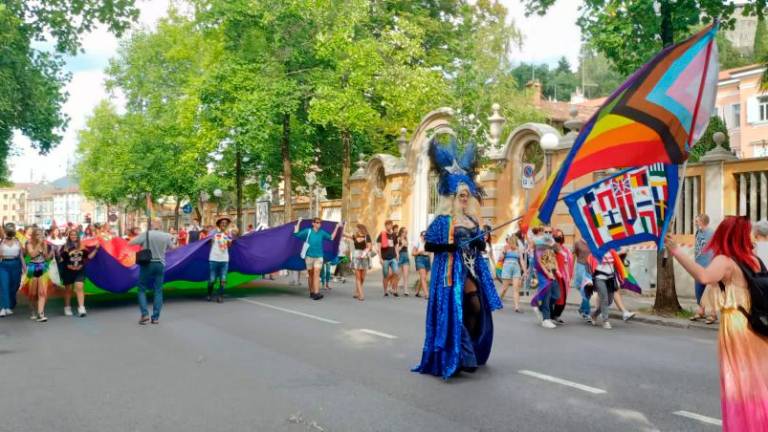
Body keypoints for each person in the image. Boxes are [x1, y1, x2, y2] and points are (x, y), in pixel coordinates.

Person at [666, 216, 768, 432]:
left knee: (737, 385)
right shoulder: (754, 259)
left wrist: (676, 251)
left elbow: (704, 277)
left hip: (738, 328)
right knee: (758, 384)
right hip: (758, 326)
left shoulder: (725, 261)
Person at [414, 140, 502, 379]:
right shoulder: (443, 221)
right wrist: (450, 246)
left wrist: (480, 241)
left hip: (472, 269)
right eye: (460, 195)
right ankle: (460, 352)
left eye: (466, 195)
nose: (464, 198)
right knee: (456, 309)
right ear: (451, 197)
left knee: (475, 307)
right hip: (451, 272)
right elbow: (430, 245)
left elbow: (480, 245)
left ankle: (467, 349)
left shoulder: (472, 221)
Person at [129, 220, 173, 324]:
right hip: (160, 264)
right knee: (158, 290)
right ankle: (155, 317)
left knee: (141, 289)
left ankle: (145, 315)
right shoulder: (166, 236)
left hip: (147, 263)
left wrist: (142, 244)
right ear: (161, 226)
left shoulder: (146, 234)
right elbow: (173, 247)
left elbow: (130, 243)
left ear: (152, 226)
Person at [293, 217, 342, 300]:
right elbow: (296, 234)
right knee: (310, 275)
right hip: (309, 257)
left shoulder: (321, 232)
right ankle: (312, 292)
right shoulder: (308, 231)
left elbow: (331, 237)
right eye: (317, 222)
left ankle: (317, 292)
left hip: (319, 257)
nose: (319, 224)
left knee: (316, 274)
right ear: (313, 223)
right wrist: (298, 223)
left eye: (320, 223)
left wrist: (337, 227)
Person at [60, 229, 99, 317]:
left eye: (75, 235)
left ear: (78, 236)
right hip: (68, 271)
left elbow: (88, 257)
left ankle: (81, 308)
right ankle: (67, 307)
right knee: (68, 290)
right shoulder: (65, 246)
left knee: (79, 286)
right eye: (72, 235)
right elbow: (61, 259)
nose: (73, 236)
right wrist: (67, 264)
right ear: (69, 236)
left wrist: (96, 249)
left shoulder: (82, 246)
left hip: (80, 270)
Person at [531, 226, 561, 329]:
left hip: (552, 270)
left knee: (556, 295)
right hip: (543, 272)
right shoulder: (539, 242)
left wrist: (557, 270)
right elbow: (539, 260)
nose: (548, 233)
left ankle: (539, 305)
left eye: (550, 231)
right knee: (547, 294)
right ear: (542, 232)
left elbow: (554, 257)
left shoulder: (551, 242)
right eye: (546, 231)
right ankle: (546, 319)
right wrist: (547, 273)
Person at [691, 214, 716, 323]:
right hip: (698, 265)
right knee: (699, 289)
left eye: (697, 221)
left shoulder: (712, 233)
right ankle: (701, 311)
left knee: (711, 290)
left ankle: (713, 314)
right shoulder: (697, 233)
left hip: (709, 266)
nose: (695, 223)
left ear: (703, 222)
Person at [25, 228, 52, 322]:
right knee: (32, 293)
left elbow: (46, 257)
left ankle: (41, 313)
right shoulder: (29, 243)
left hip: (43, 268)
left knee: (42, 292)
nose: (39, 236)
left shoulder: (44, 243)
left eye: (41, 234)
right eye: (37, 235)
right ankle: (33, 310)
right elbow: (32, 254)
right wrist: (39, 244)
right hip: (32, 268)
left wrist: (51, 253)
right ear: (33, 235)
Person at [0, 224, 25, 317]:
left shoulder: (18, 241)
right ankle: (3, 307)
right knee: (4, 285)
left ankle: (10, 304)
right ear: (5, 231)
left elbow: (21, 256)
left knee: (15, 285)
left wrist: (25, 268)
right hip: (3, 265)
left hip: (16, 264)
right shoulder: (1, 241)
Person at [207, 217, 233, 303]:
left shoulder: (228, 233)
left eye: (226, 223)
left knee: (223, 279)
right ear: (219, 224)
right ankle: (209, 294)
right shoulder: (213, 232)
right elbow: (208, 242)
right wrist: (212, 239)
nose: (224, 224)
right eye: (222, 222)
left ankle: (220, 296)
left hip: (224, 260)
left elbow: (229, 245)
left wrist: (228, 239)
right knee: (212, 280)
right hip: (213, 259)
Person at [499, 234, 525, 312]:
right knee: (504, 289)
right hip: (506, 268)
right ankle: (498, 300)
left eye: (514, 243)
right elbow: (500, 258)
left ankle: (516, 307)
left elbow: (521, 261)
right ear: (509, 242)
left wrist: (525, 271)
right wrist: (503, 252)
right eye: (511, 243)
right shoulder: (505, 248)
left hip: (516, 269)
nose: (512, 245)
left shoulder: (518, 250)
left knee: (516, 289)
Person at [551, 229, 573, 323]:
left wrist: (568, 277)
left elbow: (566, 264)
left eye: (561, 235)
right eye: (557, 235)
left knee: (562, 298)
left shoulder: (565, 249)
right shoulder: (551, 248)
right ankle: (549, 315)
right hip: (553, 274)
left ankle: (556, 315)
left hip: (563, 276)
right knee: (555, 296)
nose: (560, 237)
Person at [348, 224, 371, 301]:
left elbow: (369, 247)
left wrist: (363, 254)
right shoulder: (354, 236)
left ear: (361, 229)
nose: (356, 230)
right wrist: (340, 226)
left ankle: (357, 291)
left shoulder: (367, 236)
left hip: (364, 257)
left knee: (362, 277)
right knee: (358, 277)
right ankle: (361, 294)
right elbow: (344, 234)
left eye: (357, 228)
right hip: (356, 258)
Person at [376, 220, 400, 297]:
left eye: (390, 225)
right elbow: (378, 247)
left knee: (396, 272)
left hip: (393, 257)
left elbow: (396, 245)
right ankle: (385, 291)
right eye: (387, 225)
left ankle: (394, 290)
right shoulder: (382, 234)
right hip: (385, 258)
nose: (389, 226)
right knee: (386, 275)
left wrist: (397, 254)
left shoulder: (394, 235)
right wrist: (380, 258)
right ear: (385, 226)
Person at [572, 237, 593, 320]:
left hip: (590, 268)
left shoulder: (592, 241)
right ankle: (586, 312)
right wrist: (570, 268)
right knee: (584, 288)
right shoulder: (578, 242)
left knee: (588, 288)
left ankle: (582, 309)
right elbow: (574, 254)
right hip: (581, 267)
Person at [412, 231, 431, 299]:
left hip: (427, 260)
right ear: (420, 236)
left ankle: (417, 292)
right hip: (419, 259)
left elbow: (430, 253)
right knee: (423, 277)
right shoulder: (417, 242)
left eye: (426, 236)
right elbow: (413, 253)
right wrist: (420, 252)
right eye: (423, 235)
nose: (424, 237)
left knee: (423, 277)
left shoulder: (428, 243)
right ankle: (427, 294)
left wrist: (428, 254)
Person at [397, 226, 411, 296]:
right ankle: (394, 288)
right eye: (405, 232)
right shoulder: (398, 239)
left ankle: (406, 290)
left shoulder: (406, 238)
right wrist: (402, 245)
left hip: (406, 256)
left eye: (406, 232)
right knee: (398, 274)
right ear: (401, 232)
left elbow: (407, 249)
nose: (406, 233)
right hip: (400, 256)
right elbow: (397, 249)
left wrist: (408, 257)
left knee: (406, 275)